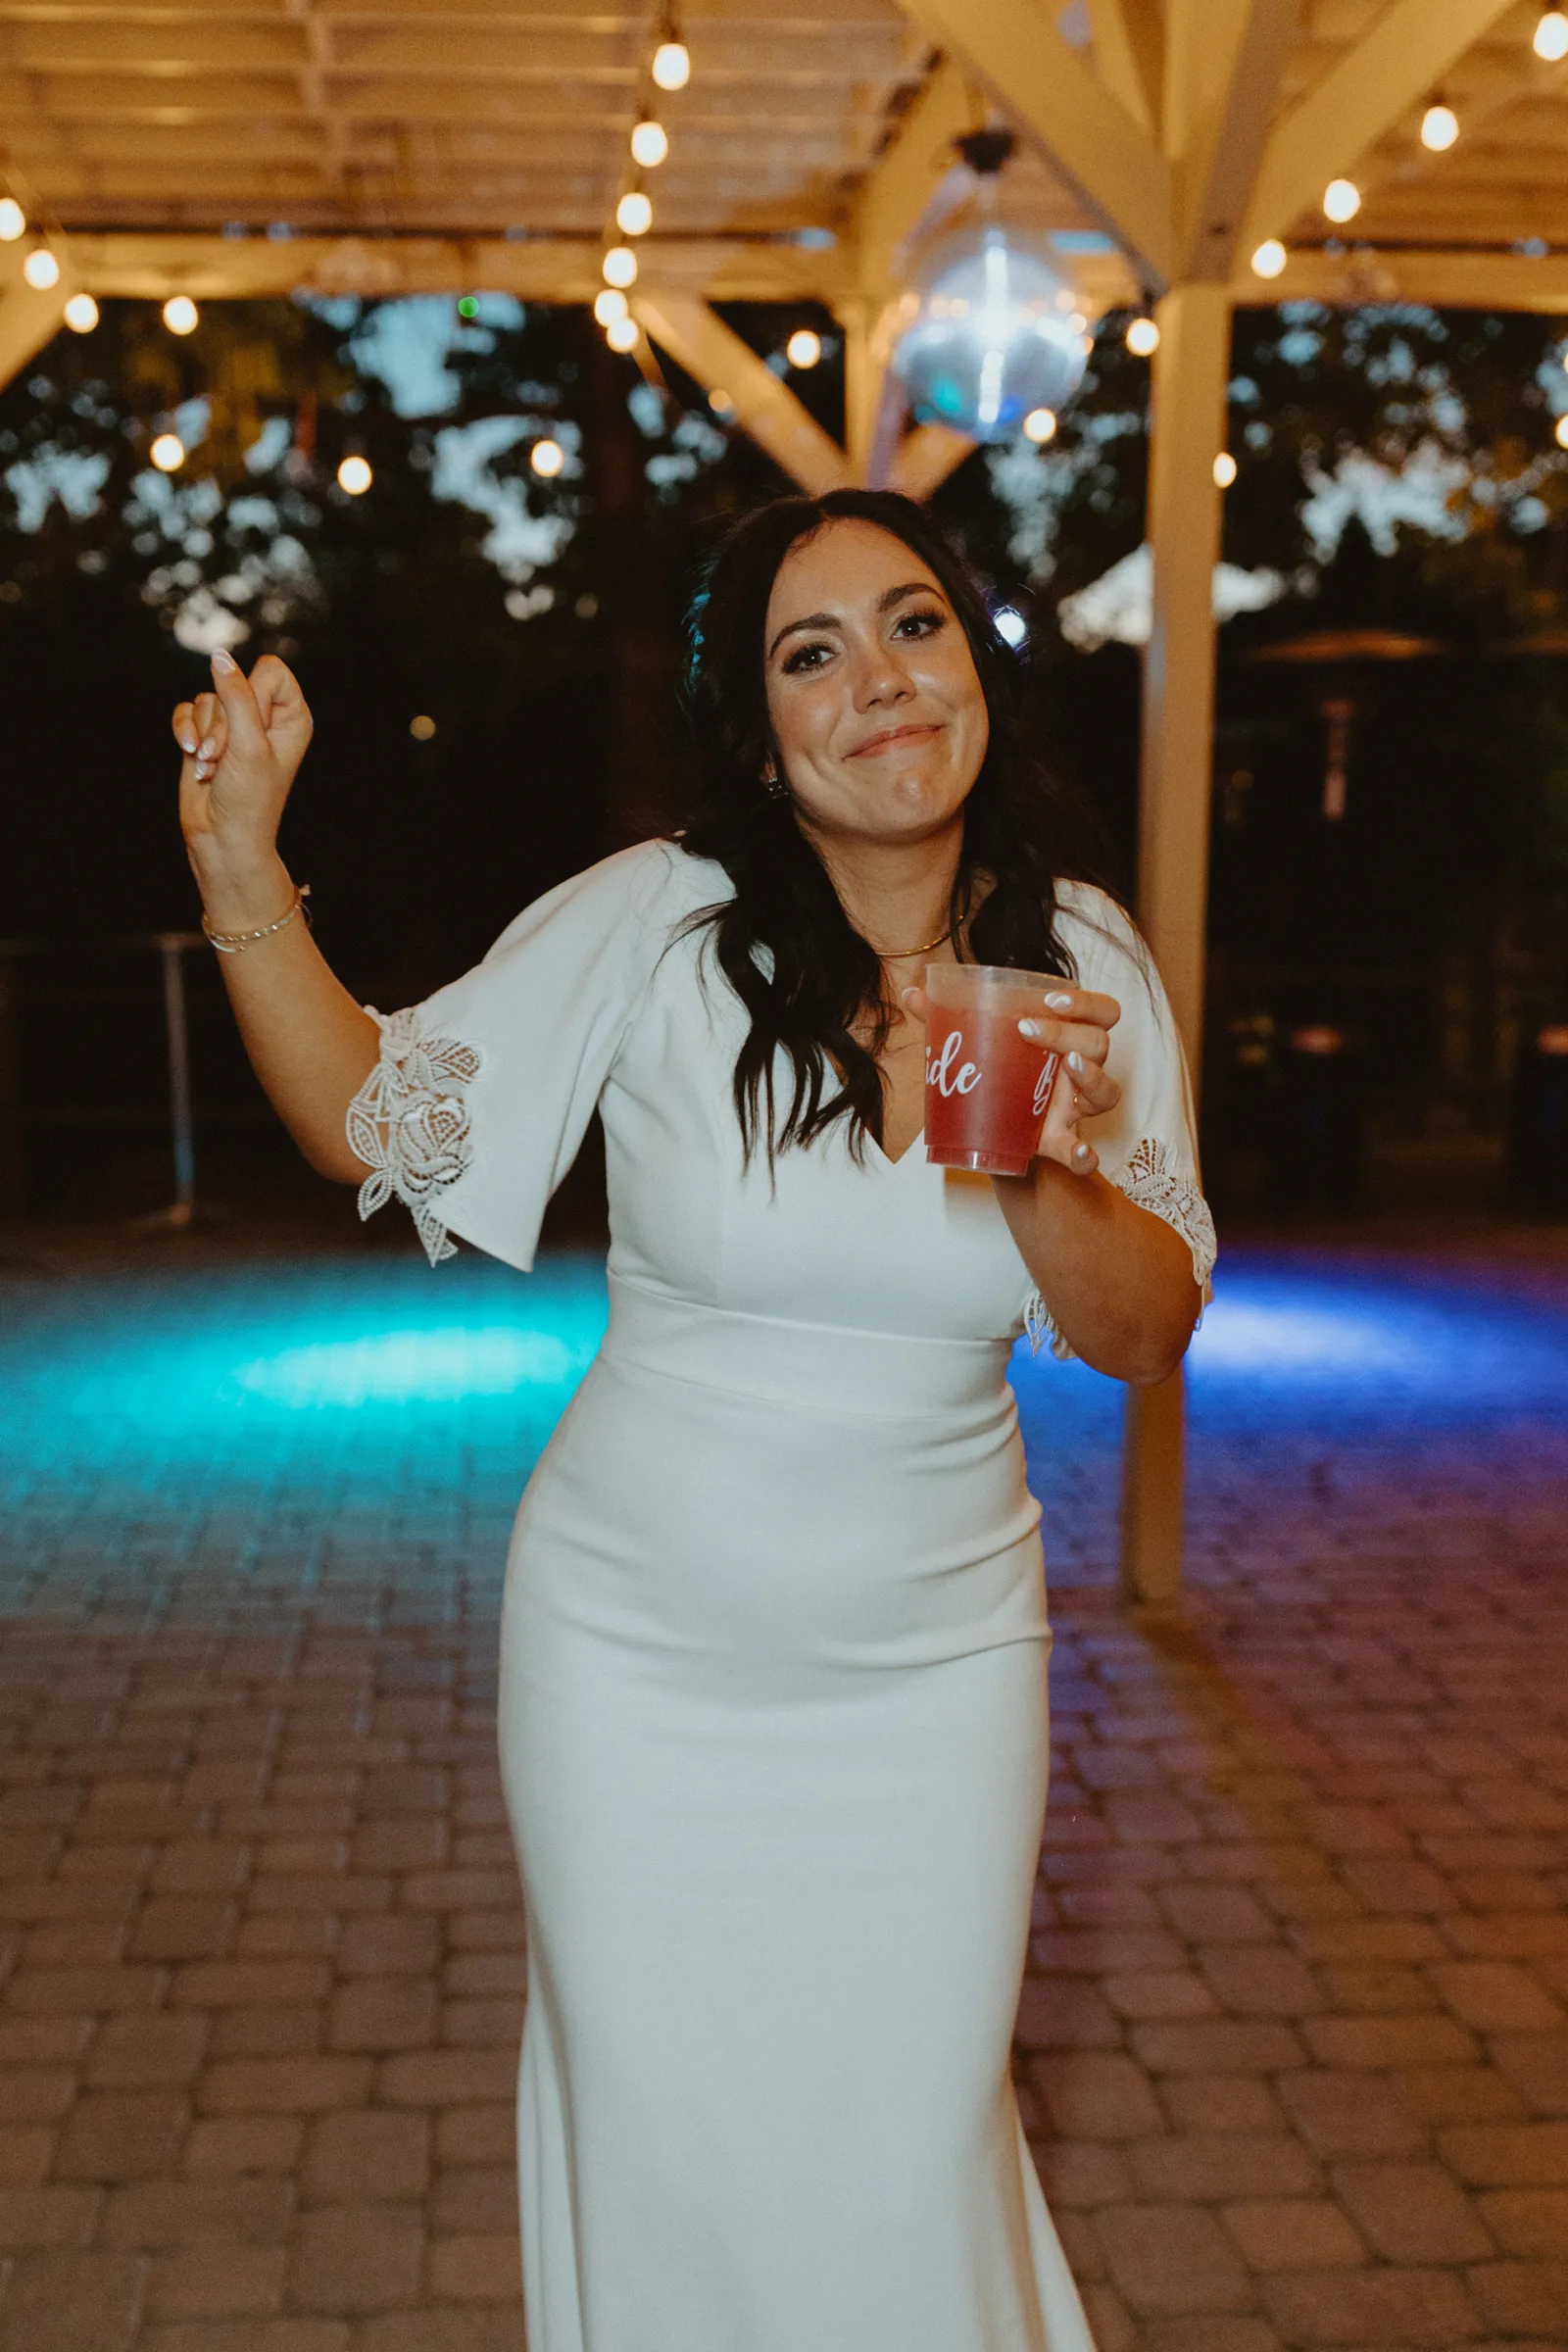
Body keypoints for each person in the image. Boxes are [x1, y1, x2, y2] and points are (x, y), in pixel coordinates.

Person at [173, 488, 1214, 2352]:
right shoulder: (664, 926)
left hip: (935, 1675)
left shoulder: (1086, 964)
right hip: (638, 1670)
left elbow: (1145, 1330)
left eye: (916, 625)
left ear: (979, 663)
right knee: (669, 2158)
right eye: (812, 654)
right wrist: (247, 867)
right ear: (758, 726)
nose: (881, 682)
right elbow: (377, 1116)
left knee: (904, 2155)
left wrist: (1025, 1149)